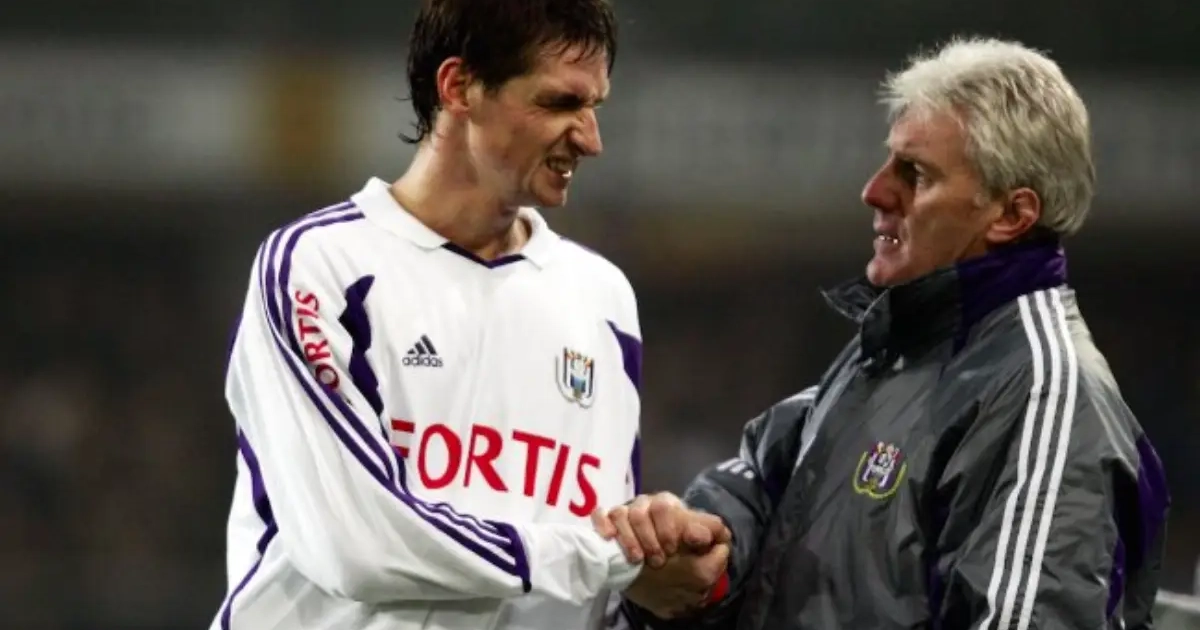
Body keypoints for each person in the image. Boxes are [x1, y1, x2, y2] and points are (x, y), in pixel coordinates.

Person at [597, 36, 1171, 629]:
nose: (874, 191)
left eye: (915, 174)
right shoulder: (897, 349)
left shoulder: (1044, 392)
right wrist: (702, 546)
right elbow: (769, 485)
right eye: (889, 162)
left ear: (1010, 214)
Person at [209, 1, 729, 628]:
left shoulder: (602, 297)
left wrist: (655, 554)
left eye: (595, 106)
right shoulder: (321, 267)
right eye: (560, 103)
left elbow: (594, 587)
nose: (591, 139)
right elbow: (360, 545)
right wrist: (608, 560)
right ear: (459, 87)